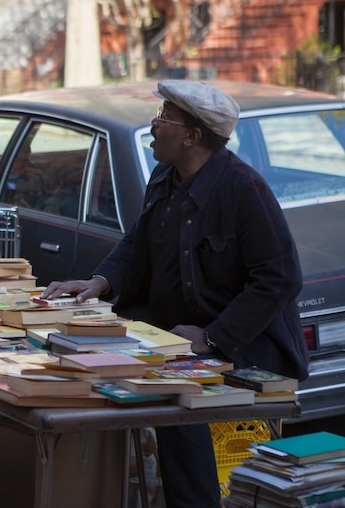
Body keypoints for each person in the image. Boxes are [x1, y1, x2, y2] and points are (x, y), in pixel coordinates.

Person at [42, 80, 310, 508]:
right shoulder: (164, 175)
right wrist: (101, 282)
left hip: (243, 349)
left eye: (165, 116)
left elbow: (279, 278)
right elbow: (138, 241)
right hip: (181, 339)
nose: (155, 123)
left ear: (192, 136)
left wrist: (213, 337)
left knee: (187, 430)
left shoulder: (244, 190)